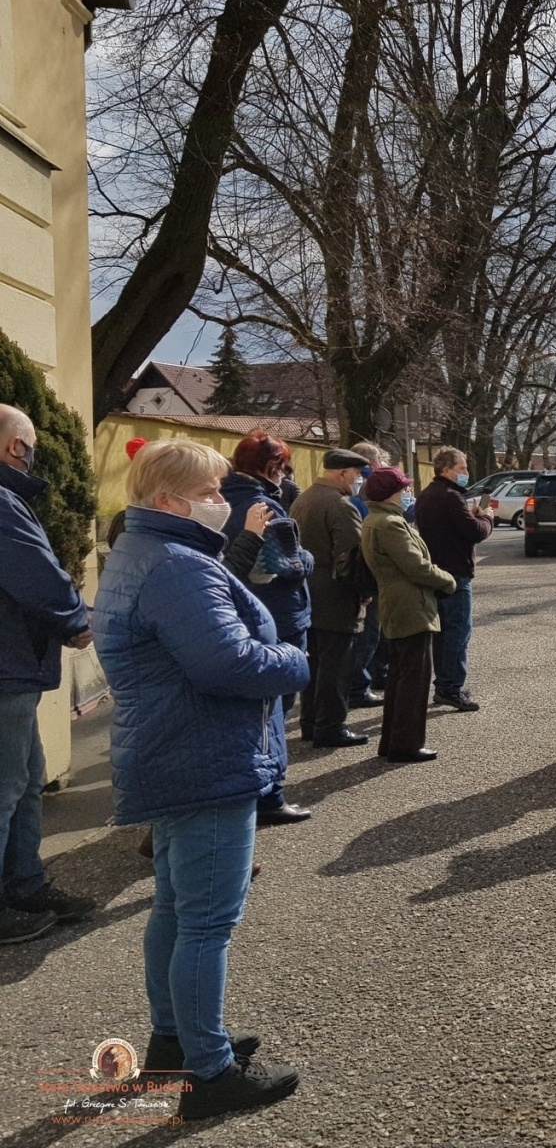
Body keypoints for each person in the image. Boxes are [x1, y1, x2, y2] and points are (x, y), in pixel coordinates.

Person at [93, 439, 307, 1118]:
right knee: (207, 920)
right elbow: (230, 665)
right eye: (214, 491)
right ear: (169, 501)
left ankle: (172, 1042)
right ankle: (207, 1072)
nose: (224, 501)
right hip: (201, 754)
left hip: (175, 748)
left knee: (175, 908)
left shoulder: (144, 551)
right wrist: (295, 659)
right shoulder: (178, 566)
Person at [0, 404, 96, 945]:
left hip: (13, 663)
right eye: (29, 446)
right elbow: (35, 572)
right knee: (8, 786)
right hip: (6, 665)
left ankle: (24, 885)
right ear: (18, 447)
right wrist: (76, 620)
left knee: (26, 781)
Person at [220, 431, 315, 825]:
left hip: (242, 614)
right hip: (278, 616)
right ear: (273, 467)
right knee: (274, 712)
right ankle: (269, 796)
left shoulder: (222, 501)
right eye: (284, 467)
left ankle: (257, 792)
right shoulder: (264, 508)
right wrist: (308, 558)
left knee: (255, 713)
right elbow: (287, 567)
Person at [360, 467, 457, 763]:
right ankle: (406, 744)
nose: (406, 494)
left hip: (398, 604)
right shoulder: (390, 523)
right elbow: (414, 565)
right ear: (391, 493)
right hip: (410, 605)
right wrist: (447, 580)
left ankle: (392, 741)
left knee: (401, 677)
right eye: (402, 489)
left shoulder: (377, 520)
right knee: (413, 680)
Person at [289, 448, 371, 748]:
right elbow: (349, 556)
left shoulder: (304, 498)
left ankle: (311, 722)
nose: (359, 480)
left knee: (315, 663)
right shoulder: (340, 505)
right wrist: (362, 593)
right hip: (335, 595)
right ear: (342, 473)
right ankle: (331, 726)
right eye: (357, 474)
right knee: (336, 666)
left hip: (308, 592)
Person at [416, 447, 493, 712]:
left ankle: (445, 685)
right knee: (457, 633)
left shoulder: (426, 494)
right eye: (461, 469)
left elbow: (450, 528)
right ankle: (451, 687)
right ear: (446, 470)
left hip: (435, 573)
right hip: (455, 575)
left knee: (443, 635)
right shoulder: (451, 497)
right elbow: (474, 532)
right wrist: (486, 518)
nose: (466, 474)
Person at [343, 441, 389, 710]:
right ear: (371, 463)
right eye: (380, 460)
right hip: (367, 575)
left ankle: (366, 679)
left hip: (362, 574)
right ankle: (357, 686)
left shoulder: (355, 492)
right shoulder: (367, 493)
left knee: (371, 632)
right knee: (368, 632)